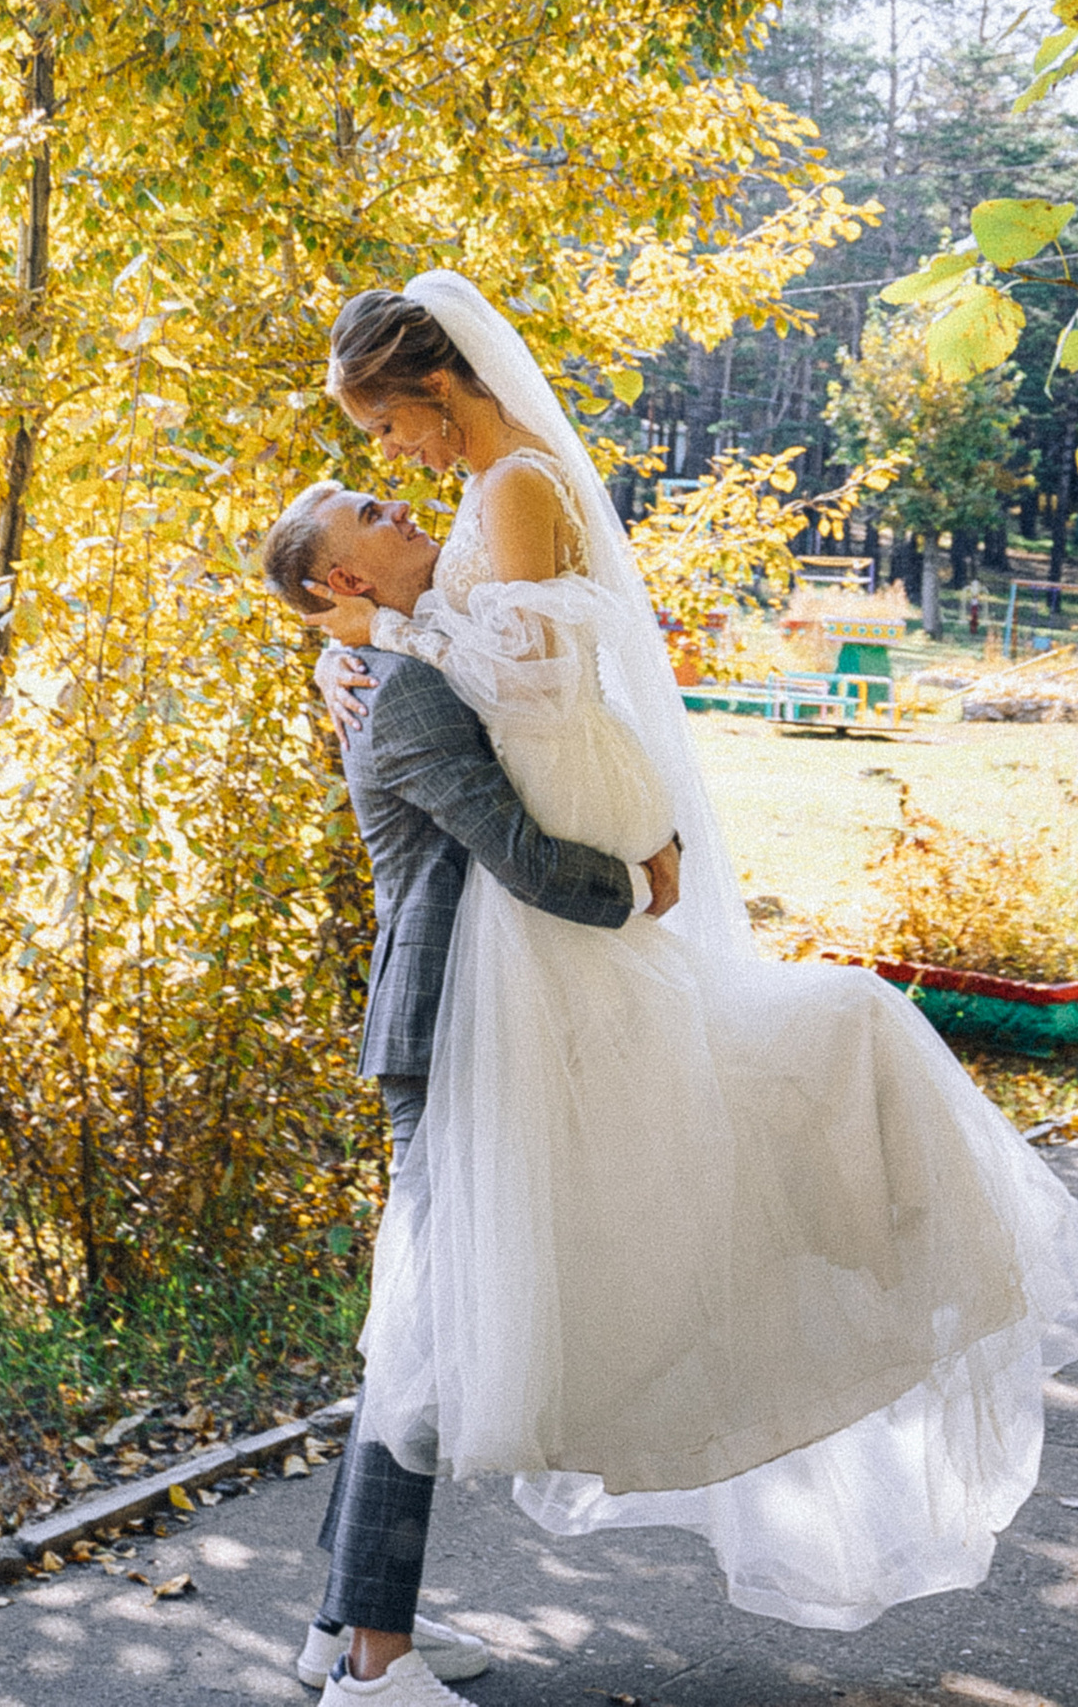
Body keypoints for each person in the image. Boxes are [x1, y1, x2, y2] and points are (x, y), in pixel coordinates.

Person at [276, 269, 1078, 1638]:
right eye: (376, 473)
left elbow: (536, 690)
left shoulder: (517, 496)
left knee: (439, 1308)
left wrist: (388, 640)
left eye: (385, 437)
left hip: (547, 903)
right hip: (508, 934)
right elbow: (479, 700)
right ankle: (362, 1649)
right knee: (437, 1310)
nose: (394, 465)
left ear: (432, 388)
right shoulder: (475, 532)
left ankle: (357, 1643)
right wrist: (384, 645)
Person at [260, 478, 681, 1707]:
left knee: (417, 1327)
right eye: (374, 520)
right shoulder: (402, 698)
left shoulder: (394, 656)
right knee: (426, 1339)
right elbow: (516, 852)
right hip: (445, 1028)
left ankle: (344, 1624)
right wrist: (646, 885)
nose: (403, 512)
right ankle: (376, 1671)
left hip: (461, 1023)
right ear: (343, 584)